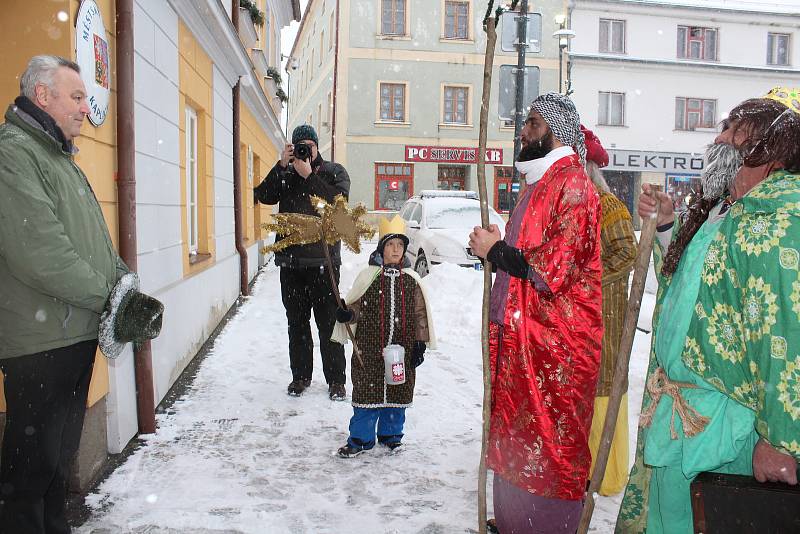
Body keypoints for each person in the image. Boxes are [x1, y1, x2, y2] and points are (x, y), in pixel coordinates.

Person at [616, 87, 800, 534]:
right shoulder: (727, 211)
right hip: (682, 416)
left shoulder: (779, 223)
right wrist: (664, 226)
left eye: (733, 131)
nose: (718, 140)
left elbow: (787, 338)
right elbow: (690, 290)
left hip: (726, 426)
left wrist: (779, 441)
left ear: (770, 147)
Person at [0, 55, 162, 534]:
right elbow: (41, 253)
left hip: (70, 333)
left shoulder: (57, 157)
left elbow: (92, 241)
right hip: (39, 341)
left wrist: (123, 285)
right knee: (29, 473)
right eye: (76, 97)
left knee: (56, 465)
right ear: (42, 96)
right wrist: (113, 299)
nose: (85, 109)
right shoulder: (14, 153)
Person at [469, 92, 603, 533]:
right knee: (513, 436)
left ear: (556, 132)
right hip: (520, 338)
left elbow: (554, 269)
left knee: (548, 443)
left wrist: (499, 251)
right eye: (525, 122)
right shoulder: (537, 185)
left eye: (532, 123)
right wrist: (498, 242)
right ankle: (512, 521)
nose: (523, 131)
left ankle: (541, 525)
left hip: (554, 346)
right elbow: (523, 253)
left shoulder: (575, 186)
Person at [254, 124, 351, 400]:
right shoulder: (284, 173)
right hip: (291, 264)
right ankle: (300, 377)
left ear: (317, 147)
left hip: (325, 263)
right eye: (299, 146)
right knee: (296, 323)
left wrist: (309, 177)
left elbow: (339, 206)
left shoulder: (334, 172)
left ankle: (336, 381)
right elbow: (263, 195)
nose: (304, 150)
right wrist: (280, 166)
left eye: (309, 145)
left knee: (328, 325)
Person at [331, 215, 435, 457]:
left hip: (402, 349)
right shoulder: (369, 276)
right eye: (390, 245)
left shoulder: (412, 280)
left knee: (398, 392)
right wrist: (347, 314)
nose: (396, 249)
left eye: (400, 245)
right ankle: (360, 439)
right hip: (368, 349)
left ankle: (391, 435)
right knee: (368, 393)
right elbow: (356, 305)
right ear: (382, 248)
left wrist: (420, 343)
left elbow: (420, 313)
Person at [582, 125, 638, 496]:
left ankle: (608, 473)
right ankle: (585, 470)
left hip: (607, 314)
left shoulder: (608, 205)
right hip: (581, 319)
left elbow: (628, 253)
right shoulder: (574, 205)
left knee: (604, 385)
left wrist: (588, 281)